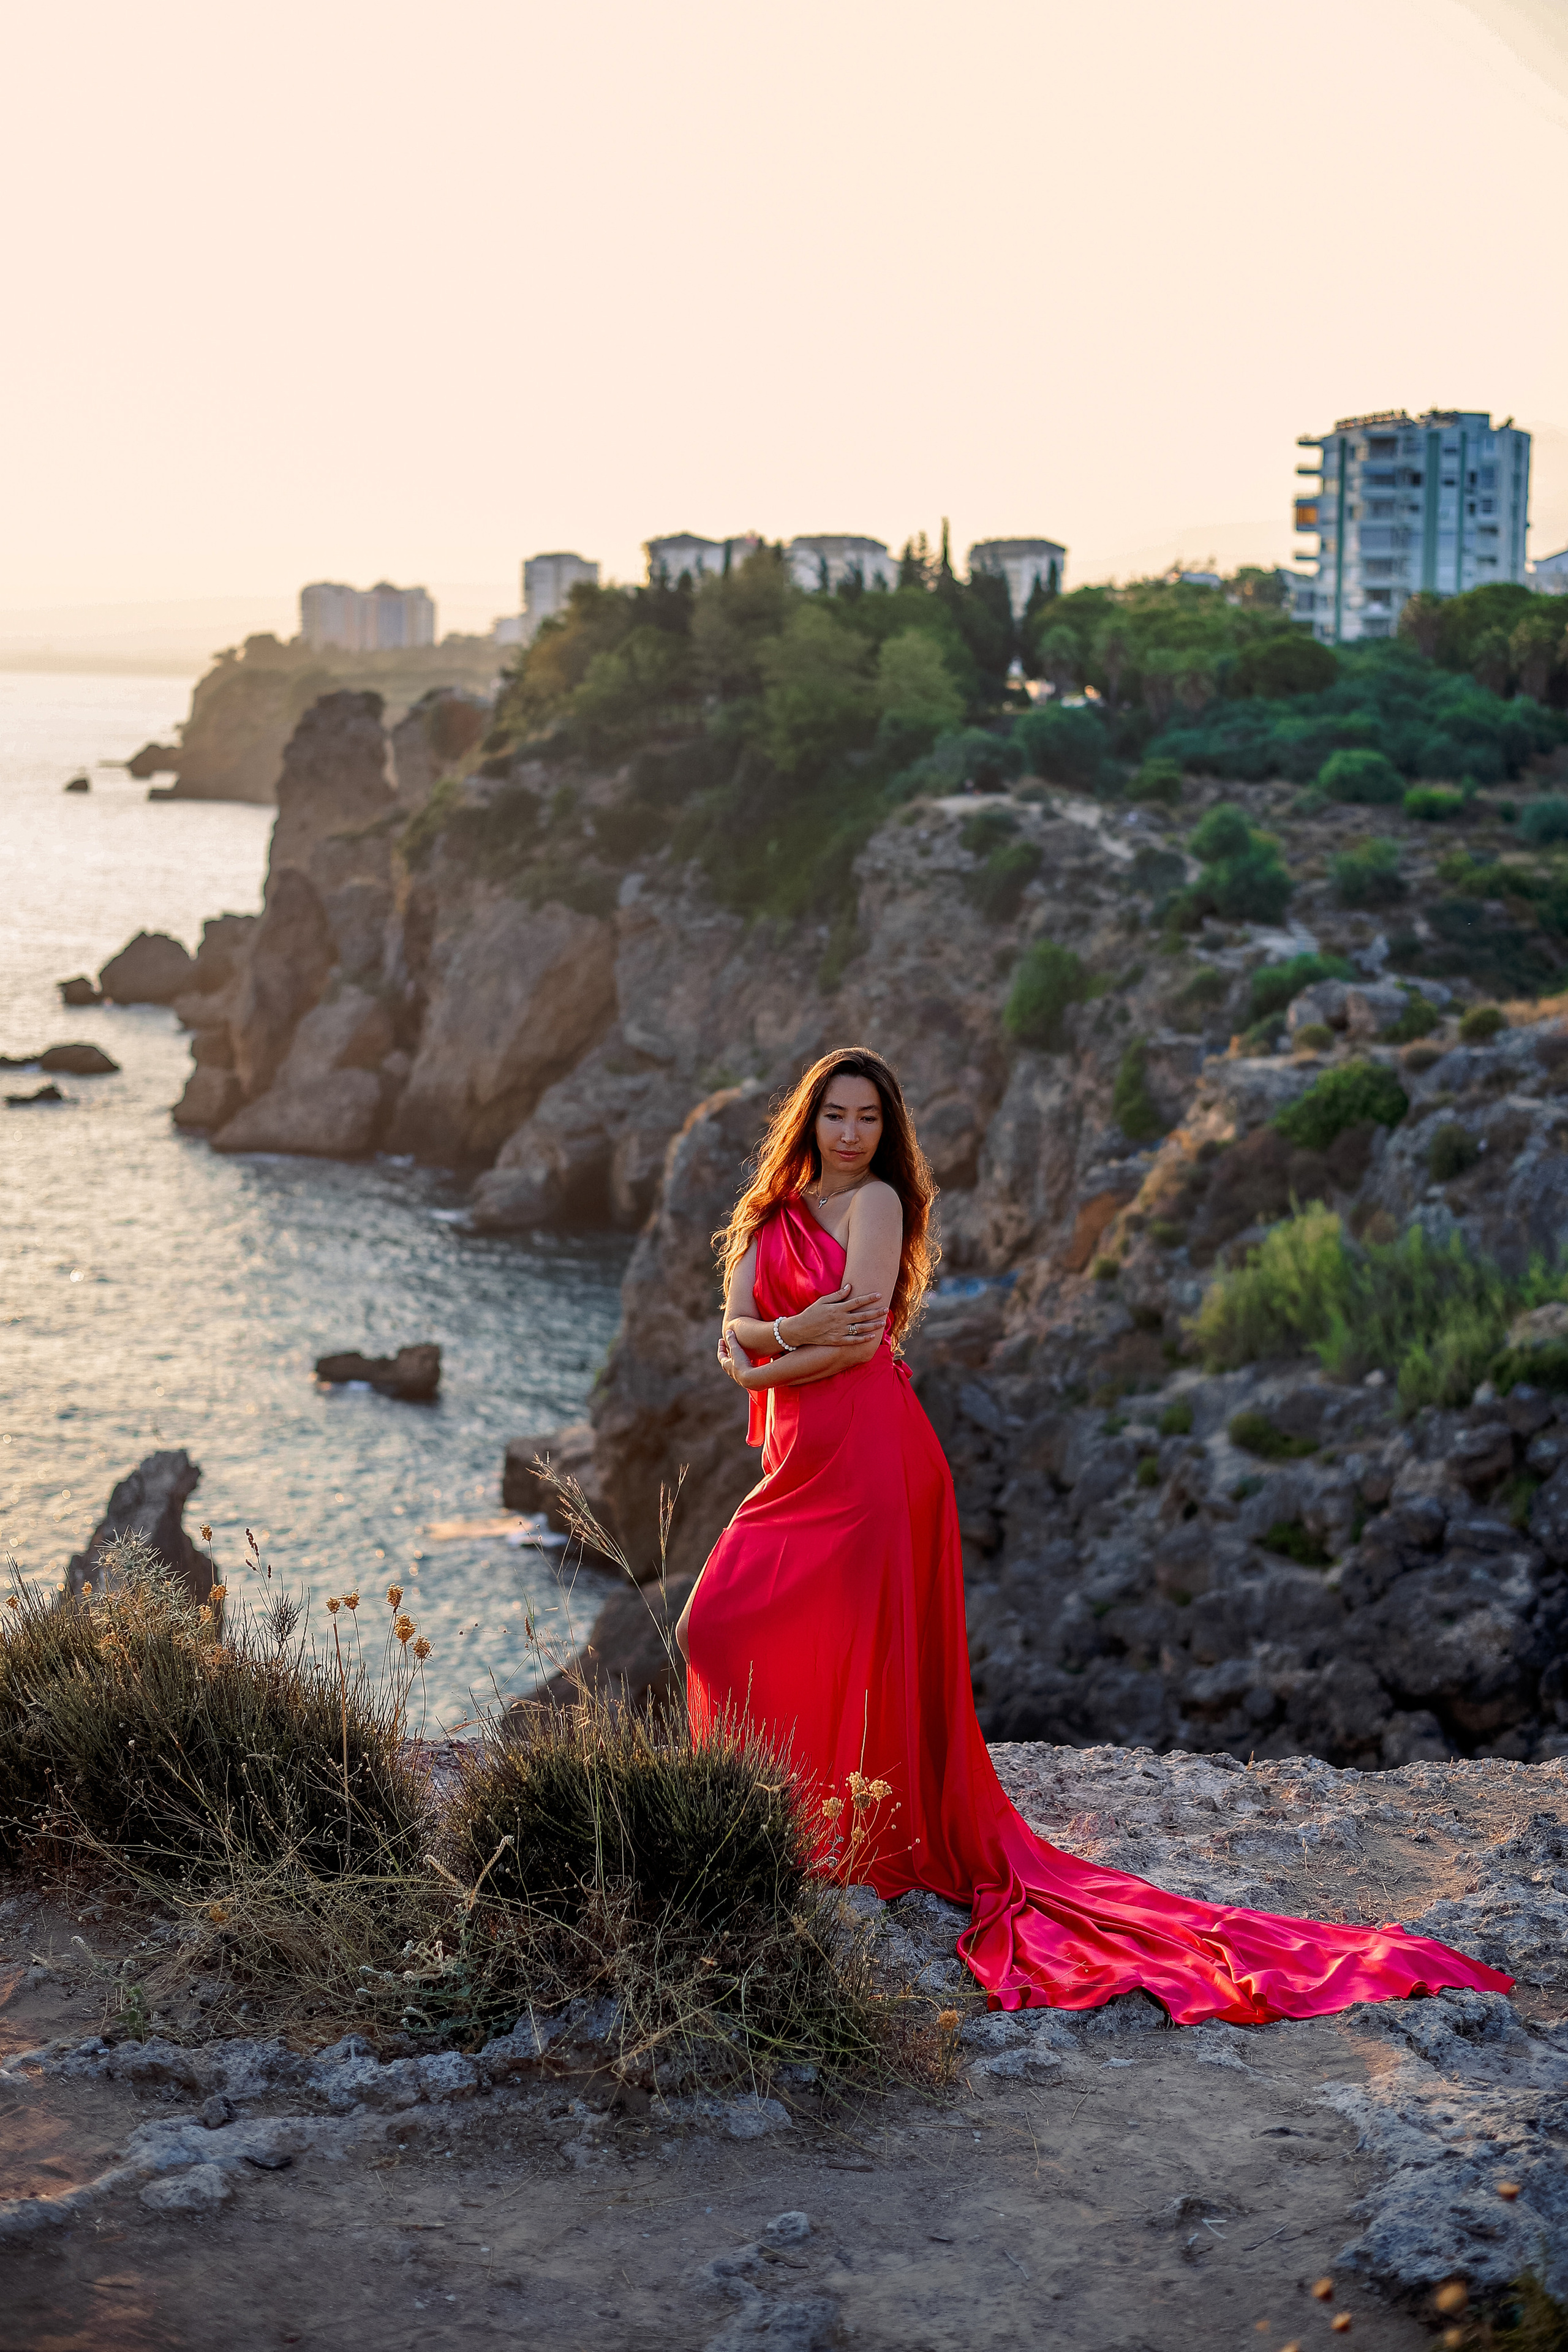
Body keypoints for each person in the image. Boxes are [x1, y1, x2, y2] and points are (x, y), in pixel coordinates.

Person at [677, 1045, 1512, 2027]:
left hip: (872, 1459)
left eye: (867, 1117)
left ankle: (857, 1840)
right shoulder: (770, 1219)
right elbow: (737, 1330)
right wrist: (784, 1338)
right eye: (835, 1116)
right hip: (804, 1464)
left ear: (884, 1129)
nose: (851, 1133)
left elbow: (854, 1342)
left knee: (850, 1646)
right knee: (718, 1628)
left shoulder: (877, 1208)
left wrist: (766, 1360)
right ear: (808, 1122)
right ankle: (793, 1822)